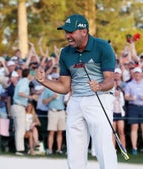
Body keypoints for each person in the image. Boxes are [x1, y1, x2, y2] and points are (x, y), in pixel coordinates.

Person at [35, 14, 117, 169]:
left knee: (102, 146)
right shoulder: (65, 53)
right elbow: (65, 87)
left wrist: (99, 85)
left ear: (84, 31)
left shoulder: (102, 46)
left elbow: (110, 80)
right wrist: (43, 81)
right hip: (76, 101)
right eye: (66, 32)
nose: (67, 36)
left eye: (71, 32)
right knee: (74, 149)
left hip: (99, 99)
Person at [125, 67, 143, 155]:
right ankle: (134, 148)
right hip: (133, 107)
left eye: (138, 73)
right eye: (136, 73)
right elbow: (126, 97)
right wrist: (131, 98)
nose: (137, 74)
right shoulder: (129, 84)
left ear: (141, 74)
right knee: (134, 127)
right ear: (133, 74)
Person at [11, 68, 37, 155]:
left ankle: (20, 149)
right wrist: (31, 97)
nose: (33, 75)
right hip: (19, 106)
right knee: (20, 129)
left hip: (18, 106)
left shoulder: (24, 82)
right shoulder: (24, 82)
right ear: (28, 74)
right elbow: (20, 93)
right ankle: (19, 150)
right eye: (32, 73)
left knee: (20, 128)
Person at [42, 73, 66, 155]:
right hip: (53, 111)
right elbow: (44, 102)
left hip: (61, 111)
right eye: (54, 78)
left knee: (60, 132)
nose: (56, 80)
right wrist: (52, 97)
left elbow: (65, 100)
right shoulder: (48, 89)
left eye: (57, 79)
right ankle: (50, 149)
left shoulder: (62, 88)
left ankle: (59, 150)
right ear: (51, 78)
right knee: (51, 131)